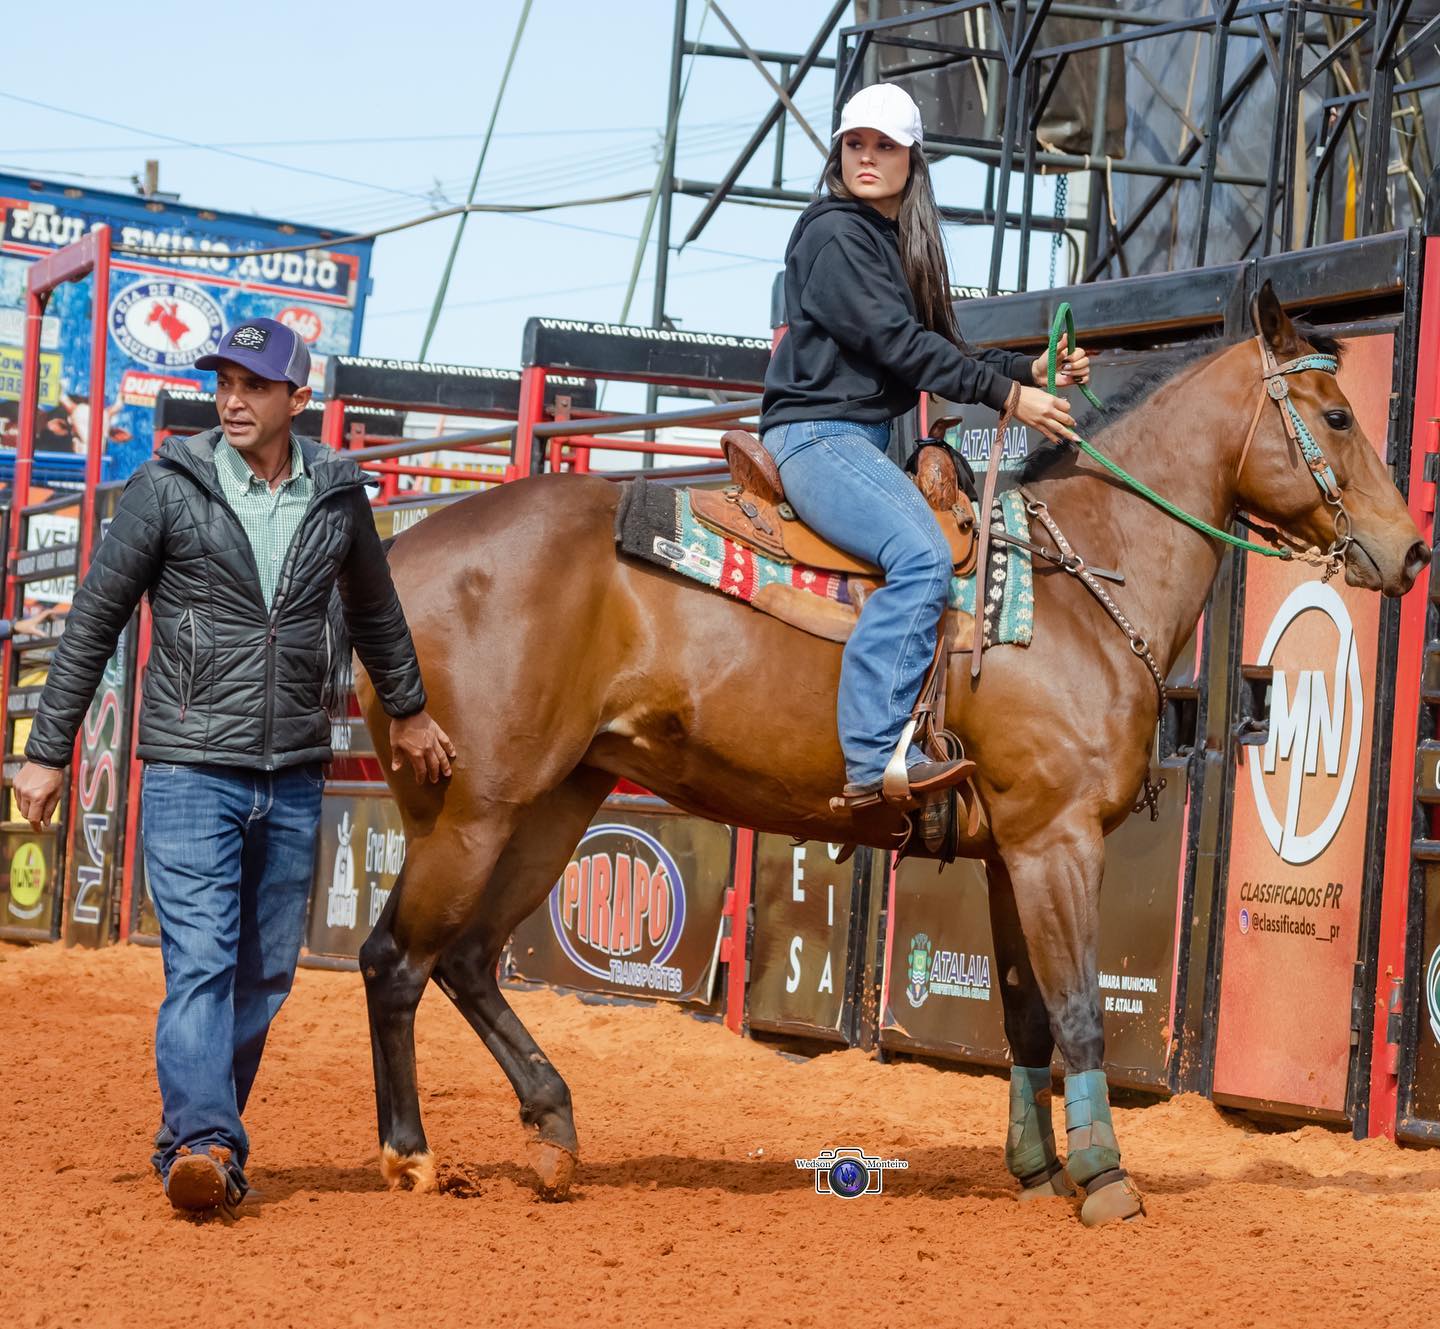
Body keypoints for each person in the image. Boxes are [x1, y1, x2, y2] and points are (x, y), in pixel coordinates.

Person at [12, 316, 456, 1219]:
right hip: (186, 766)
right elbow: (96, 616)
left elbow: (374, 611)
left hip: (293, 767)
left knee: (264, 975)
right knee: (205, 963)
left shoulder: (336, 492)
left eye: (255, 385)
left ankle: (196, 1135)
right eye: (224, 382)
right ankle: (209, 1140)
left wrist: (407, 712)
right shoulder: (167, 485)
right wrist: (46, 751)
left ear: (299, 398)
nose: (233, 398)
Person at [760, 83, 1090, 805]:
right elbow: (899, 347)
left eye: (884, 146)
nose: (867, 158)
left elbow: (940, 346)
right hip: (819, 435)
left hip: (862, 441)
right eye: (856, 145)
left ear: (913, 160)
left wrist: (1029, 370)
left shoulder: (892, 243)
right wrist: (1008, 397)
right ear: (838, 152)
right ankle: (873, 757)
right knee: (922, 556)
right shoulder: (833, 233)